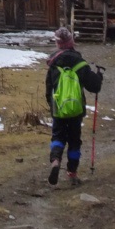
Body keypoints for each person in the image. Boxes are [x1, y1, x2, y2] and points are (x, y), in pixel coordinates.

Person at [44, 27, 103, 185]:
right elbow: (94, 86)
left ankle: (55, 161)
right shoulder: (79, 62)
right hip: (76, 109)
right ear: (71, 42)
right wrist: (99, 76)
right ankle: (72, 173)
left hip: (58, 108)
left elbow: (49, 88)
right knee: (74, 140)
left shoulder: (53, 62)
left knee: (58, 136)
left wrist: (52, 105)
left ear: (57, 43)